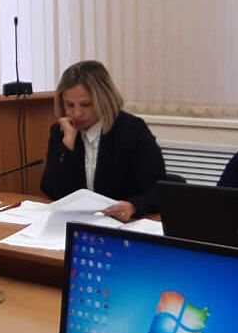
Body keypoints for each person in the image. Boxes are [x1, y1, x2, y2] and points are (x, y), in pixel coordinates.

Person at [40, 60, 166, 221]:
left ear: (104, 100)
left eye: (86, 105)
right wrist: (67, 145)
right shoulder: (62, 132)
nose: (77, 114)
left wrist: (134, 206)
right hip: (78, 222)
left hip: (123, 223)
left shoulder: (131, 130)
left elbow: (158, 191)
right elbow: (50, 189)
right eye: (70, 105)